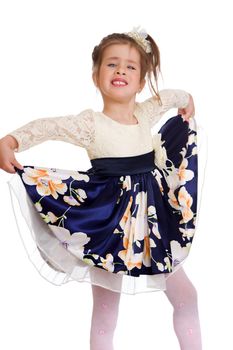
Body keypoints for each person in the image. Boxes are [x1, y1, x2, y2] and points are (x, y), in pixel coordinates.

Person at [0, 27, 202, 349]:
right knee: (106, 313)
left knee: (186, 295)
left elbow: (174, 96)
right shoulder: (90, 124)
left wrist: (189, 101)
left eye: (130, 66)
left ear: (140, 80)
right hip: (111, 227)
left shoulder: (145, 112)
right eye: (112, 64)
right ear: (96, 75)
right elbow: (47, 127)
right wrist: (10, 142)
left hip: (152, 222)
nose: (121, 70)